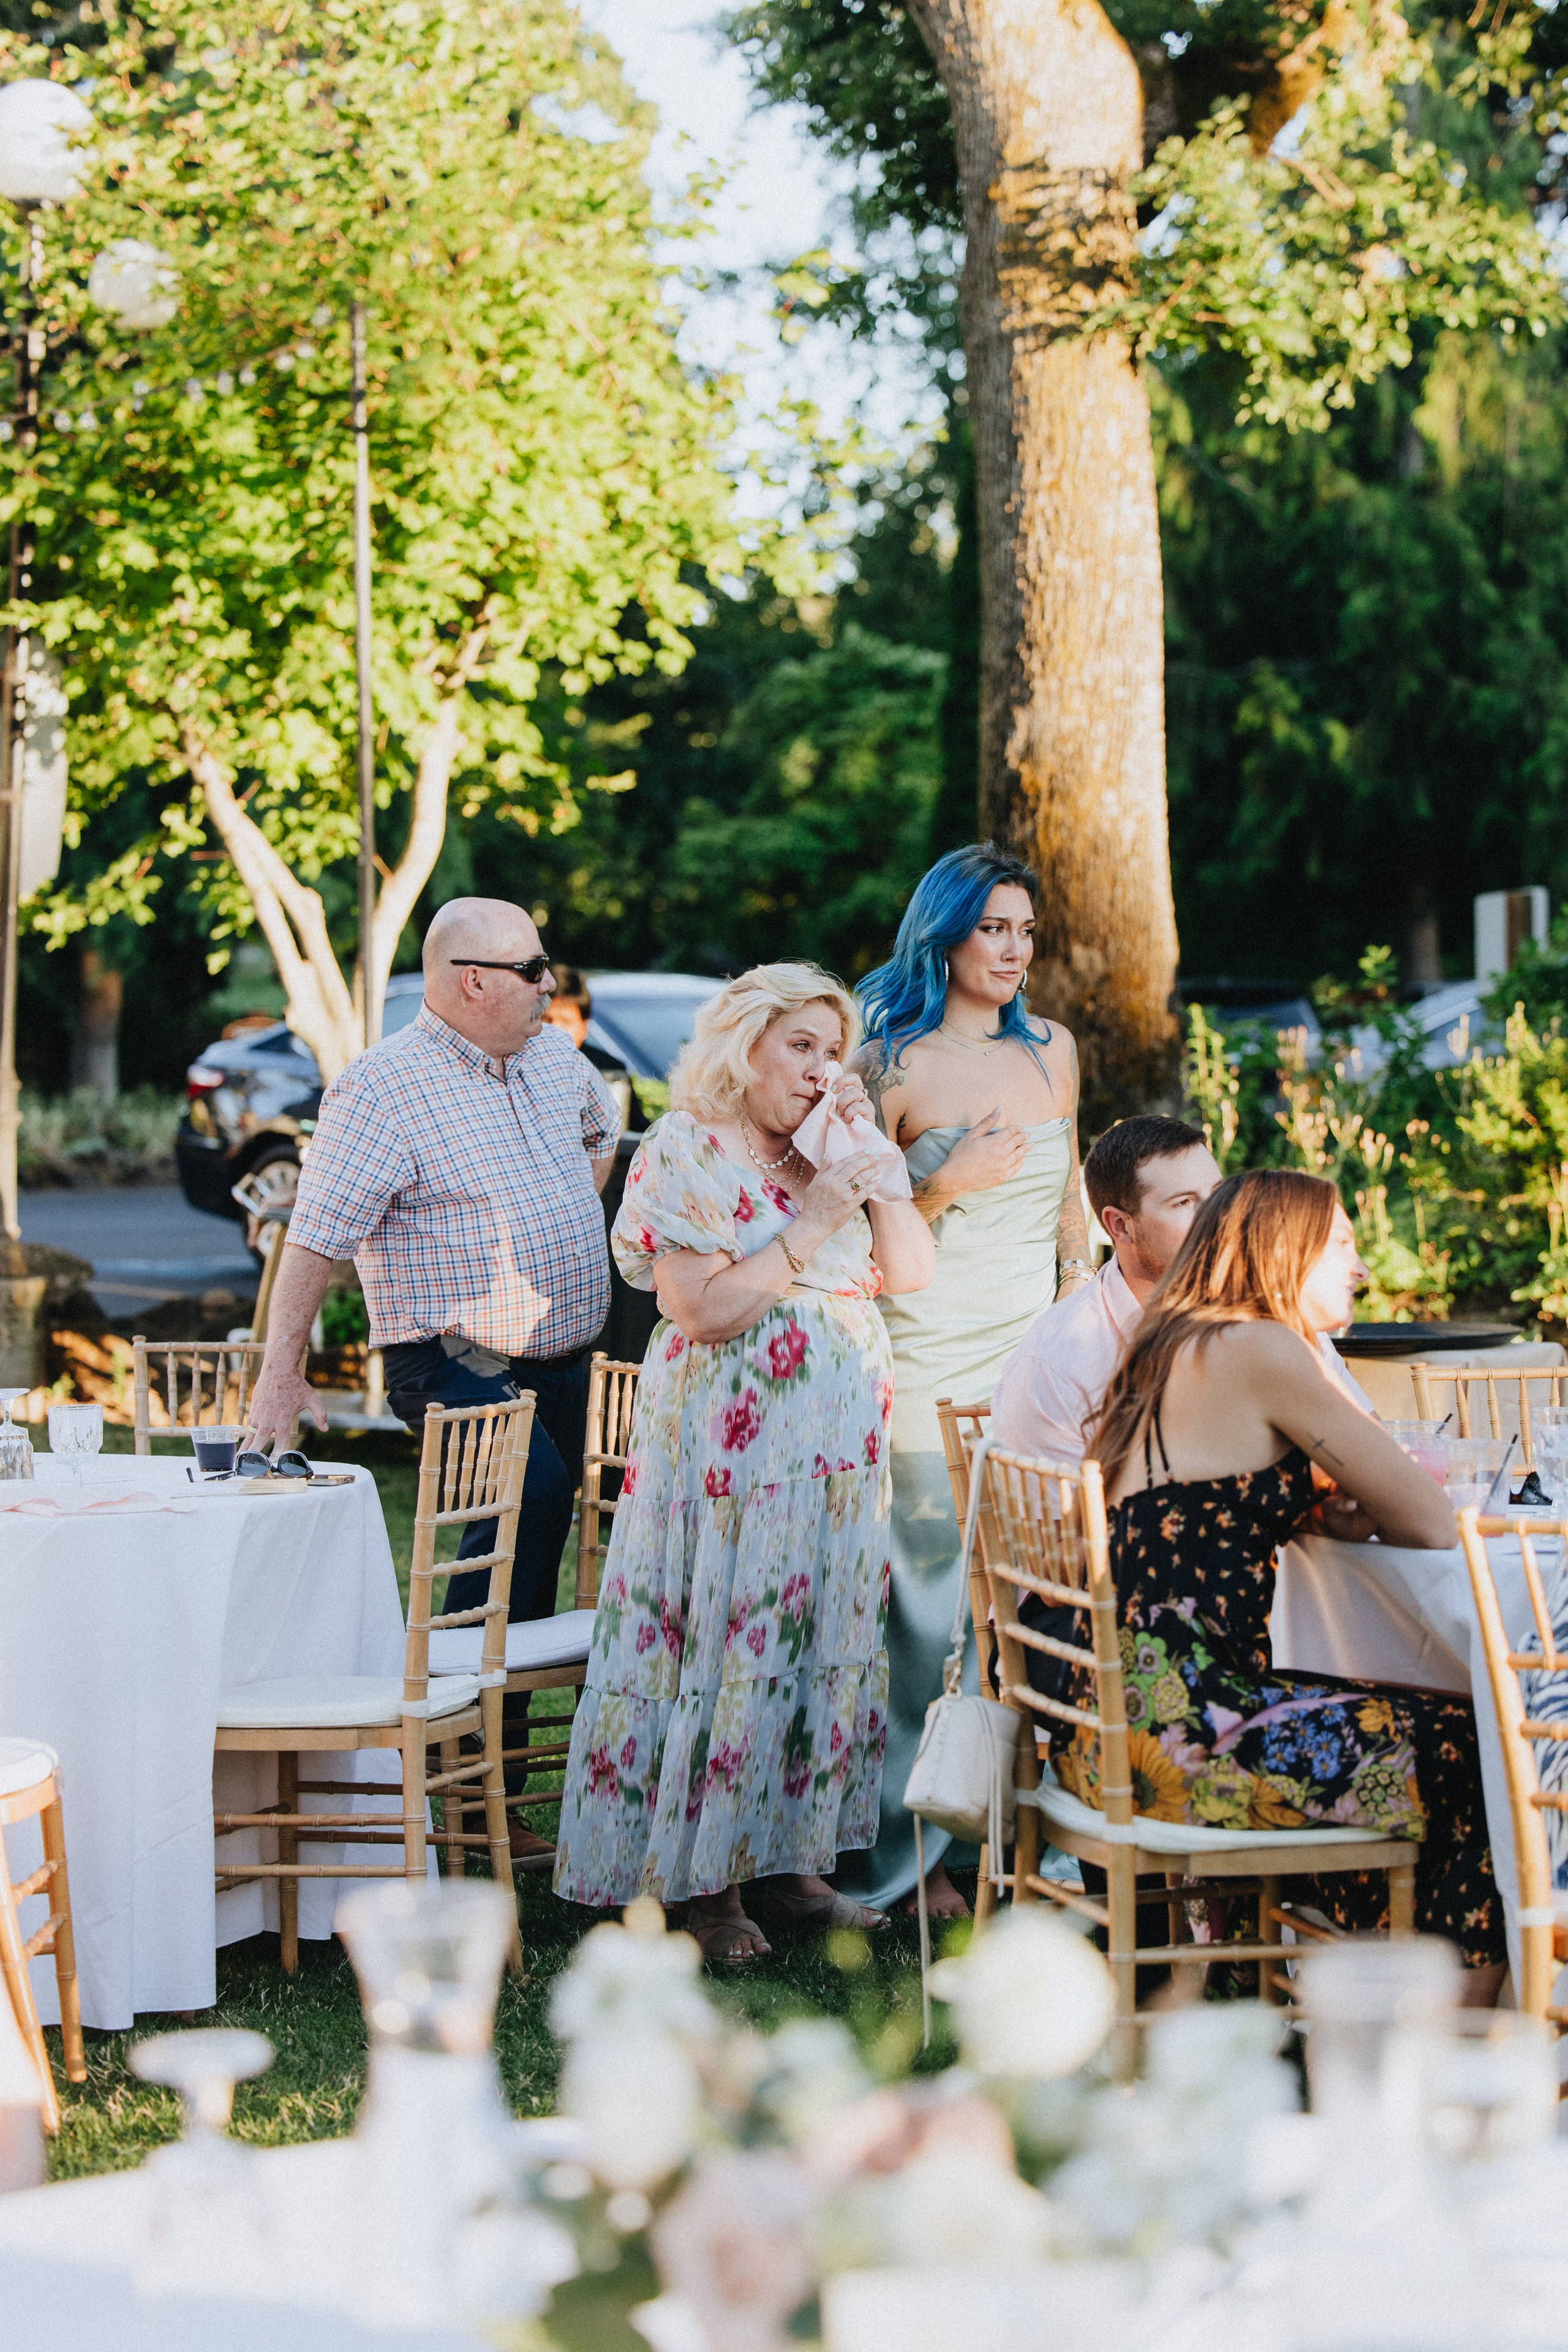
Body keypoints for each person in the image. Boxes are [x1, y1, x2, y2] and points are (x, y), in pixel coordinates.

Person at [1040, 1168, 1505, 1994]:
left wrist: (1312, 1505)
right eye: (1344, 1246)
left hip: (1110, 1725)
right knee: (1473, 1748)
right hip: (1183, 1741)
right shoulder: (1261, 1346)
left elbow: (1217, 1504)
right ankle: (1441, 2045)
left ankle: (1358, 1991)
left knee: (1420, 1725)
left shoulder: (1180, 1341)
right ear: (1285, 1255)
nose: (1360, 1268)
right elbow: (1430, 1518)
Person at [552, 962, 935, 1962]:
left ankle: (793, 1868)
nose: (819, 1068)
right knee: (725, 1647)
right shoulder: (687, 1148)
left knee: (813, 1641)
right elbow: (703, 1309)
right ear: (744, 1047)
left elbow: (916, 1269)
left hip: (834, 1454)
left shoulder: (831, 1145)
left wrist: (870, 1162)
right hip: (727, 1458)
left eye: (831, 1050)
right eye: (800, 1047)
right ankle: (705, 1888)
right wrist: (810, 1226)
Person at [242, 896, 620, 1861]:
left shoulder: (550, 1056)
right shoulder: (383, 1087)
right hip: (447, 1353)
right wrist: (278, 1376)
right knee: (522, 1505)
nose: (551, 984)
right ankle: (457, 1782)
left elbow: (598, 1133)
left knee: (531, 1550)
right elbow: (315, 1235)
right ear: (471, 982)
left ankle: (490, 1790)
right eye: (533, 969)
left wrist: (567, 1209)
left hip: (564, 1349)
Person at [831, 842, 1089, 1925]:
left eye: (1025, 931)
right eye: (993, 929)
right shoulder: (888, 1062)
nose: (1014, 950)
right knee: (928, 1624)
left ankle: (1028, 1841)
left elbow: (1071, 1205)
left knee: (1037, 1612)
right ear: (943, 934)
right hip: (926, 1353)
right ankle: (907, 1863)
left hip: (1033, 1361)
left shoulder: (1055, 1052)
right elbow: (850, 1238)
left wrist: (1087, 1324)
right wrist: (941, 1182)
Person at [992, 1116, 1220, 1466]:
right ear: (1120, 1225)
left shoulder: (1262, 1312)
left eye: (1219, 1196)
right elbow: (1059, 1519)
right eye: (1184, 1203)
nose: (1217, 1219)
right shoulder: (1056, 1365)